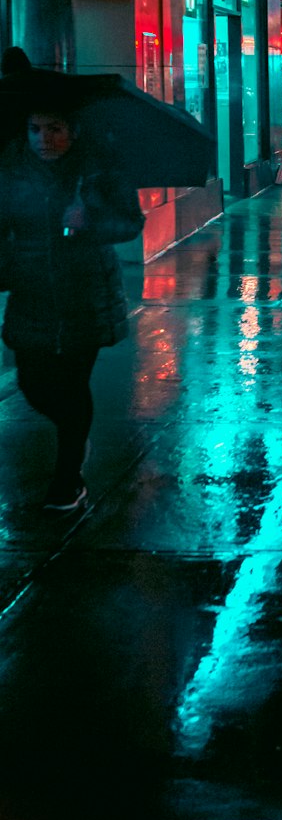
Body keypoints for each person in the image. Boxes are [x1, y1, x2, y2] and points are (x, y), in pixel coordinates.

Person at [0, 100, 144, 512]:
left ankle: (67, 480)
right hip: (32, 295)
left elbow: (130, 223)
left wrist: (91, 218)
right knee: (33, 383)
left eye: (54, 128)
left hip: (85, 294)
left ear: (73, 132)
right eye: (35, 129)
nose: (43, 139)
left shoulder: (98, 170)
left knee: (73, 384)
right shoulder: (10, 172)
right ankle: (76, 438)